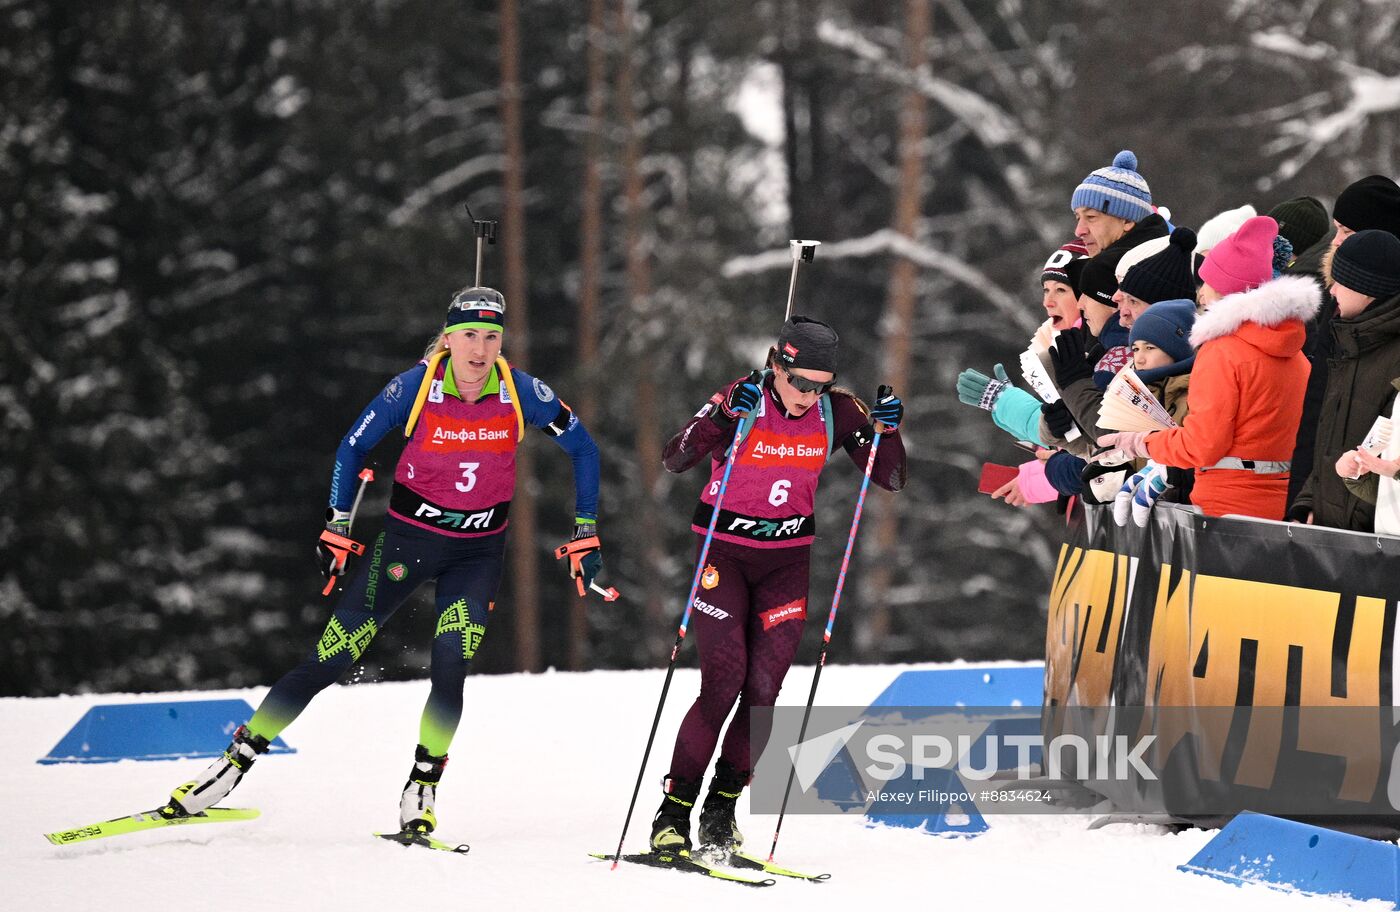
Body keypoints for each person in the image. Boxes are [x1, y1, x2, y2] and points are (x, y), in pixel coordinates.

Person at [163, 286, 604, 837]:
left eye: (492, 337)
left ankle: (421, 789)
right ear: (449, 337)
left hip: (477, 553)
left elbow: (584, 448)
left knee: (451, 669)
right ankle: (230, 767)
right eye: (469, 335)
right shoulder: (416, 387)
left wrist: (586, 530)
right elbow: (352, 447)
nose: (480, 349)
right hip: (407, 544)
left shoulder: (522, 393)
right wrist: (337, 523)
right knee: (329, 660)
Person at [650, 315, 906, 855]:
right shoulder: (742, 396)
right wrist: (721, 418)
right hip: (722, 554)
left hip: (786, 562)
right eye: (799, 383)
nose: (808, 397)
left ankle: (721, 810)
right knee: (724, 680)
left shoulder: (838, 410)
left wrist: (888, 429)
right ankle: (672, 813)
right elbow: (676, 459)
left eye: (820, 386)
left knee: (765, 690)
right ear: (776, 365)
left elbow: (890, 477)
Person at [1099, 218, 1321, 520]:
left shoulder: (1222, 353)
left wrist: (1143, 443)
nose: (1200, 294)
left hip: (1226, 507)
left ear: (1227, 289)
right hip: (1284, 502)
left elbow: (1203, 444)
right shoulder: (1297, 357)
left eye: (1207, 283)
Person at [1287, 176, 1400, 510]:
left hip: (1372, 523)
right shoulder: (1341, 308)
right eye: (1336, 229)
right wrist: (1304, 501)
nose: (1334, 242)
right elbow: (1320, 416)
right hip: (1327, 503)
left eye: (1347, 232)